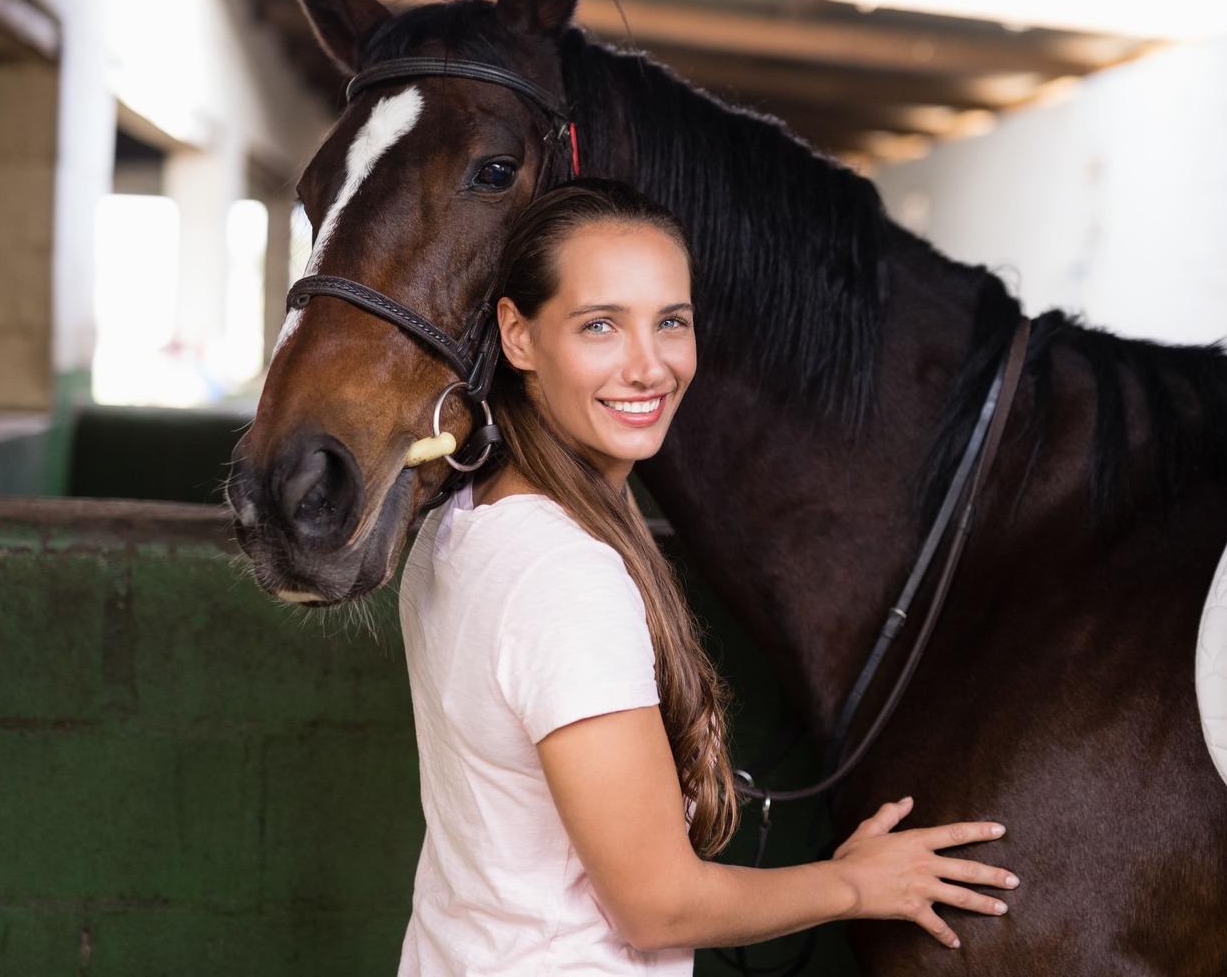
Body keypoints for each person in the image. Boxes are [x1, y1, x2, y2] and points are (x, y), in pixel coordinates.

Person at [397, 179, 1017, 975]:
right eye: (599, 326)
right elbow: (657, 904)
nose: (649, 366)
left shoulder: (463, 517)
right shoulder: (565, 578)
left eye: (671, 322)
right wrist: (856, 885)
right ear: (518, 336)